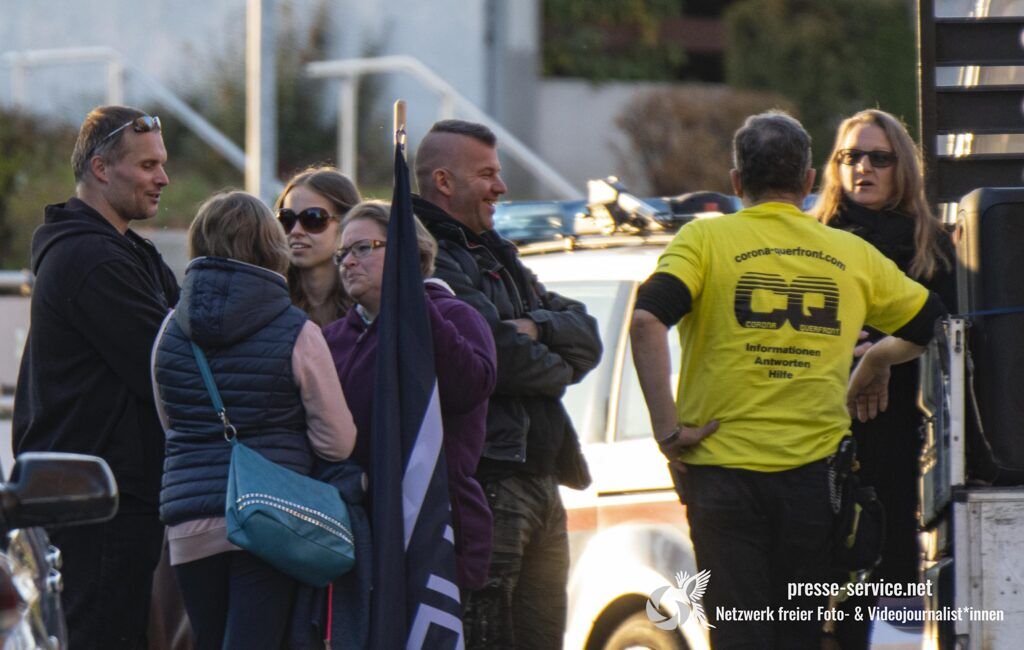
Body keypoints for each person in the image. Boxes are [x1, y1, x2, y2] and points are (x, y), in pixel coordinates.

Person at [629, 111, 946, 649]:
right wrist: (876, 363)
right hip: (813, 482)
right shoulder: (849, 253)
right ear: (805, 182)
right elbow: (931, 323)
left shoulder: (703, 241)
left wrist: (667, 430)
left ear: (736, 182)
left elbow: (645, 320)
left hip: (720, 476)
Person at [413, 119, 602, 648]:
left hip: (541, 479)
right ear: (445, 182)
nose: (501, 187)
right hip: (488, 482)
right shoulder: (427, 254)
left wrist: (538, 327)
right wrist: (551, 361)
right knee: (486, 636)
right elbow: (497, 357)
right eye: (489, 174)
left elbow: (587, 335)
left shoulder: (494, 250)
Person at [152, 191, 358, 649]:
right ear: (271, 245)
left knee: (208, 638)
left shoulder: (168, 329)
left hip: (189, 524)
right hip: (270, 518)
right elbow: (337, 441)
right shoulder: (296, 329)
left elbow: (170, 422)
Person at [12, 105, 179, 649]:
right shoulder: (92, 260)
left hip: (110, 502)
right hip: (95, 508)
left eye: (163, 164)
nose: (164, 178)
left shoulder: (128, 252)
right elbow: (171, 367)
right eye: (149, 165)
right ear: (103, 169)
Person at [813, 109, 955, 648]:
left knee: (895, 585)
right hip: (821, 439)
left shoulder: (932, 245)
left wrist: (879, 355)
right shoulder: (813, 240)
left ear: (903, 169)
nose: (862, 168)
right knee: (826, 600)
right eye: (850, 156)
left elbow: (947, 326)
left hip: (904, 439)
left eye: (879, 157)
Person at [322, 200, 497, 592]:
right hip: (358, 535)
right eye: (343, 253)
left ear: (406, 251)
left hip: (437, 528)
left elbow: (468, 388)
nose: (348, 262)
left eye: (363, 248)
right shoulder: (331, 340)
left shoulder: (454, 316)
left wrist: (414, 306)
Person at [276, 167, 362, 326]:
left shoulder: (371, 306)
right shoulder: (270, 304)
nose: (295, 231)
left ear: (346, 224)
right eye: (286, 219)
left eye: (313, 218)